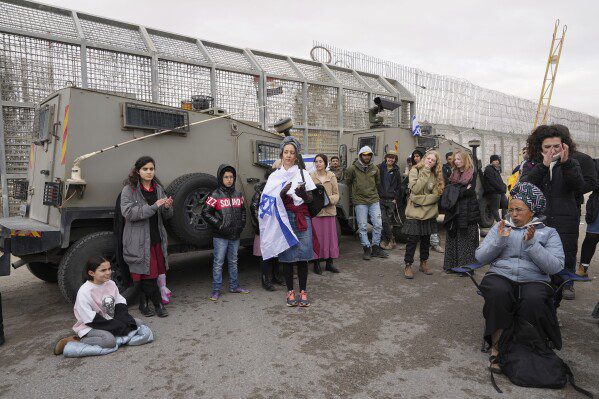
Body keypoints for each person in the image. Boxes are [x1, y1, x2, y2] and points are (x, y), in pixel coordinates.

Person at [475, 182, 564, 373]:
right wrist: (499, 240)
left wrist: (533, 245)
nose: (513, 214)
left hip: (534, 278)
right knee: (498, 292)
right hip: (501, 274)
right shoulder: (500, 227)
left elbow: (555, 266)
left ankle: (527, 347)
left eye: (519, 210)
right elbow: (480, 257)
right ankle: (497, 346)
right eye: (511, 209)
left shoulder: (548, 233)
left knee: (534, 298)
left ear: (532, 211)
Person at [520, 124, 584, 300]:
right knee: (535, 266)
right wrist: (543, 166)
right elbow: (524, 188)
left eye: (556, 146)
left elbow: (578, 187)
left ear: (564, 145)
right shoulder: (531, 164)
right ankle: (535, 309)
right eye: (547, 146)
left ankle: (553, 310)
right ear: (539, 147)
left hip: (565, 224)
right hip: (538, 223)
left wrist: (566, 164)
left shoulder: (572, 163)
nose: (552, 150)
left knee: (560, 265)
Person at [263, 136, 316, 307]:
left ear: (296, 155)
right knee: (287, 256)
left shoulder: (303, 173)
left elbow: (311, 198)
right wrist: (280, 195)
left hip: (302, 217)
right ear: (281, 154)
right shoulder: (274, 176)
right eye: (286, 152)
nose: (288, 155)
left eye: (292, 152)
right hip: (284, 219)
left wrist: (302, 195)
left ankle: (303, 291)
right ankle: (290, 291)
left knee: (303, 255)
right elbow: (267, 200)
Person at [54, 257, 141, 355]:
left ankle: (115, 331)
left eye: (109, 269)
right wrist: (118, 327)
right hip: (91, 325)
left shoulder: (111, 284)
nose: (108, 272)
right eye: (103, 270)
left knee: (137, 323)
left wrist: (125, 321)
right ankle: (76, 340)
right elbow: (90, 319)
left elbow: (119, 303)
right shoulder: (84, 292)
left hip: (109, 319)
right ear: (91, 273)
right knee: (109, 341)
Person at [121, 156, 172, 317]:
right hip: (139, 240)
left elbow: (166, 215)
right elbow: (128, 213)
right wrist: (153, 207)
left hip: (155, 237)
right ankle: (158, 305)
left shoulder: (158, 188)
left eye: (151, 169)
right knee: (148, 276)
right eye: (145, 169)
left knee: (150, 274)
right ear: (138, 171)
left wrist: (167, 207)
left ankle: (143, 304)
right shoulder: (129, 190)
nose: (149, 172)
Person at [202, 164, 249, 301]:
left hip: (235, 235)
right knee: (218, 263)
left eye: (231, 177)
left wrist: (241, 225)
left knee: (233, 261)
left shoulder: (238, 194)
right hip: (220, 236)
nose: (229, 180)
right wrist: (219, 225)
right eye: (226, 177)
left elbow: (243, 211)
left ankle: (234, 286)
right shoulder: (215, 195)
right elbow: (205, 212)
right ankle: (216, 290)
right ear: (221, 178)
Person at [402, 150, 444, 279]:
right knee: (412, 240)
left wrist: (420, 200)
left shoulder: (437, 174)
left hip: (429, 213)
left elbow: (437, 195)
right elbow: (415, 189)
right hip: (414, 213)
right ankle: (408, 265)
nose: (430, 161)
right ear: (424, 158)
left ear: (436, 162)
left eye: (433, 160)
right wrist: (425, 171)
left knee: (426, 240)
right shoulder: (415, 170)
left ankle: (423, 263)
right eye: (428, 158)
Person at [344, 146, 389, 260]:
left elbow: (377, 183)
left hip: (373, 200)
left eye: (369, 154)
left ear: (371, 156)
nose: (367, 156)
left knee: (378, 224)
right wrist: (353, 196)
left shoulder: (375, 168)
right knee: (363, 226)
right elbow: (347, 183)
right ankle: (366, 248)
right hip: (360, 201)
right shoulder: (352, 169)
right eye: (364, 154)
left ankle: (375, 247)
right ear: (360, 155)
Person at [443, 150, 480, 271]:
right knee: (453, 237)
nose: (456, 161)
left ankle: (466, 268)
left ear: (465, 159)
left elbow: (470, 191)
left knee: (466, 239)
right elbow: (448, 190)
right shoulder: (454, 173)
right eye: (455, 159)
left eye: (459, 159)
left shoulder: (472, 173)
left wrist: (456, 190)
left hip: (468, 210)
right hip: (454, 210)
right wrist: (461, 190)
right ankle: (451, 266)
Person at [251, 170, 284, 291]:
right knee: (265, 255)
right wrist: (260, 226)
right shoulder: (260, 191)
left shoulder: (279, 190)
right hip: (265, 228)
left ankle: (276, 276)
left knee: (276, 253)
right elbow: (254, 208)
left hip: (275, 227)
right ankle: (265, 280)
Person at [310, 154, 340, 274]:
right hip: (316, 213)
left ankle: (329, 263)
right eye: (316, 162)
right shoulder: (310, 177)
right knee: (317, 239)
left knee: (330, 239)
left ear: (325, 163)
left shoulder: (331, 176)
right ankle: (316, 263)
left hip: (329, 211)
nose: (318, 164)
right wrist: (316, 202)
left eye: (320, 161)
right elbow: (309, 194)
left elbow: (337, 194)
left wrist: (327, 201)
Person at [378, 151, 402, 250]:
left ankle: (385, 240)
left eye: (393, 158)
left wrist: (395, 199)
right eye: (389, 157)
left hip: (391, 200)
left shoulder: (396, 170)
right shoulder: (379, 168)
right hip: (381, 199)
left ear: (395, 159)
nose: (391, 159)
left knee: (387, 221)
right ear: (386, 158)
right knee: (383, 220)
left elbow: (398, 186)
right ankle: (391, 240)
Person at [483, 155, 507, 223]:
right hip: (494, 192)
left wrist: (504, 187)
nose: (497, 162)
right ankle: (499, 222)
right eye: (495, 160)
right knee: (495, 208)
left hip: (500, 191)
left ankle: (504, 220)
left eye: (498, 160)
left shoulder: (496, 170)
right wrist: (501, 188)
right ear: (491, 161)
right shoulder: (488, 169)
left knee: (505, 204)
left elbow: (500, 181)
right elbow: (492, 181)